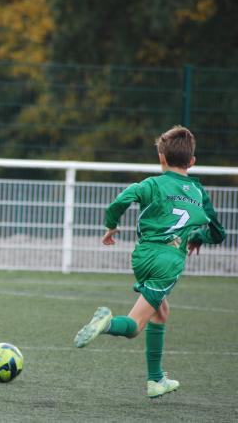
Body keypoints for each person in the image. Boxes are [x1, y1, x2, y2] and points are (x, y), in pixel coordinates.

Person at [73, 126, 226, 398]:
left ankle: (155, 380)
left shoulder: (152, 184)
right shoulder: (199, 192)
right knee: (134, 327)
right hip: (168, 262)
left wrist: (110, 227)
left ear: (161, 157)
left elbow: (120, 201)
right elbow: (218, 233)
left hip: (142, 257)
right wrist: (198, 237)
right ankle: (107, 323)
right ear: (192, 162)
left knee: (161, 311)